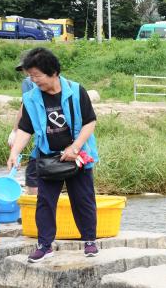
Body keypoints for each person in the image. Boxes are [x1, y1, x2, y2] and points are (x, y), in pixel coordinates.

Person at [7, 47, 99, 262]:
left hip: (77, 156)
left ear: (53, 72)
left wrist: (74, 147)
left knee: (83, 199)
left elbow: (90, 122)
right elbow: (25, 128)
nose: (34, 80)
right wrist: (14, 153)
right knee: (45, 201)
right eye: (30, 76)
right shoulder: (31, 97)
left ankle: (89, 241)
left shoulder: (76, 91)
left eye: (37, 75)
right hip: (48, 157)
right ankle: (45, 245)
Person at [7, 63, 39, 194]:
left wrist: (14, 130)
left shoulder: (28, 82)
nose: (25, 73)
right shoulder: (54, 80)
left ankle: (34, 206)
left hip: (40, 130)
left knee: (33, 173)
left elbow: (24, 107)